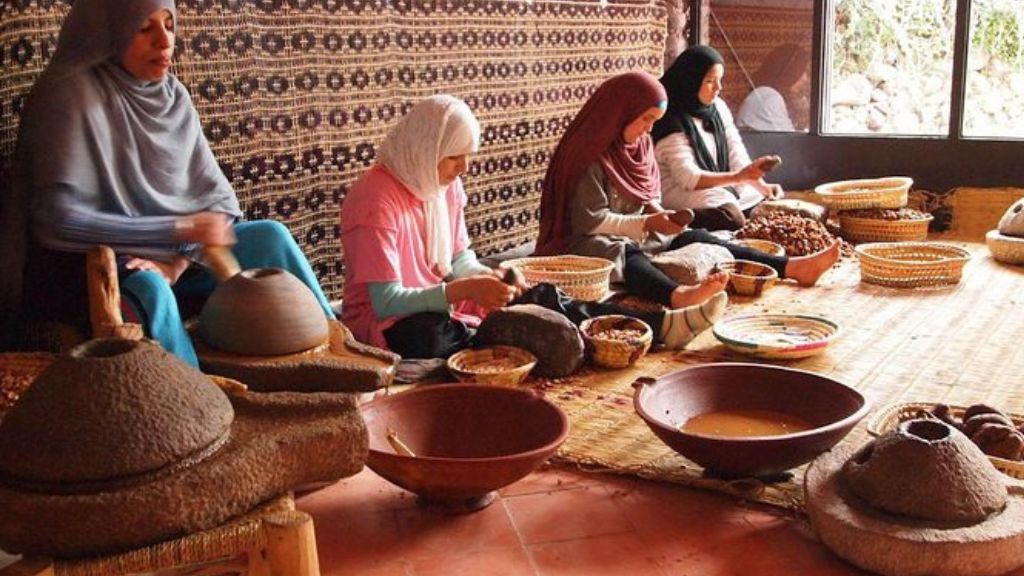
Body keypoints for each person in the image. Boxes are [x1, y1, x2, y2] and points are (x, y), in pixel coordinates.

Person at [2, 0, 335, 365]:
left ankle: (341, 357)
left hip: (175, 258)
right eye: (145, 29)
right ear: (109, 34)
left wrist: (177, 259)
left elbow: (218, 201)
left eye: (169, 25)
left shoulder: (173, 95)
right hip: (87, 267)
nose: (164, 42)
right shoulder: (68, 94)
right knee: (150, 287)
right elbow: (57, 220)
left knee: (270, 237)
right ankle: (195, 407)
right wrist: (177, 230)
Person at [341, 95, 726, 359]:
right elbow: (386, 301)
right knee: (429, 335)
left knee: (541, 296)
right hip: (390, 321)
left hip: (445, 297)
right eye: (454, 158)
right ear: (424, 151)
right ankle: (523, 340)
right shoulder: (374, 198)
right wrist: (462, 289)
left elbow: (459, 258)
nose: (464, 169)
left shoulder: (445, 185)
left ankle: (658, 325)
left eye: (467, 157)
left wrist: (499, 276)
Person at [535, 71, 838, 310]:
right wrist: (645, 223)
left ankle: (791, 267)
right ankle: (677, 296)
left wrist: (659, 215)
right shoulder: (587, 154)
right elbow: (589, 221)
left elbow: (644, 196)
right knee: (622, 252)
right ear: (620, 112)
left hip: (630, 229)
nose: (649, 130)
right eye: (645, 119)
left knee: (695, 236)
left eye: (654, 121)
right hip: (580, 241)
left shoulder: (637, 146)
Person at [653, 45, 784, 231]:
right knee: (731, 217)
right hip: (680, 190)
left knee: (766, 205)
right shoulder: (670, 117)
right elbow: (688, 178)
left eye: (720, 80)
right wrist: (738, 178)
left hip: (720, 183)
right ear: (690, 81)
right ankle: (672, 219)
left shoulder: (718, 107)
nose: (718, 88)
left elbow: (734, 151)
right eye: (709, 81)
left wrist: (762, 186)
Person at [736, 43, 811, 132]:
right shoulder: (769, 97)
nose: (806, 79)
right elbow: (791, 141)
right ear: (791, 72)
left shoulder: (767, 94)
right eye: (804, 72)